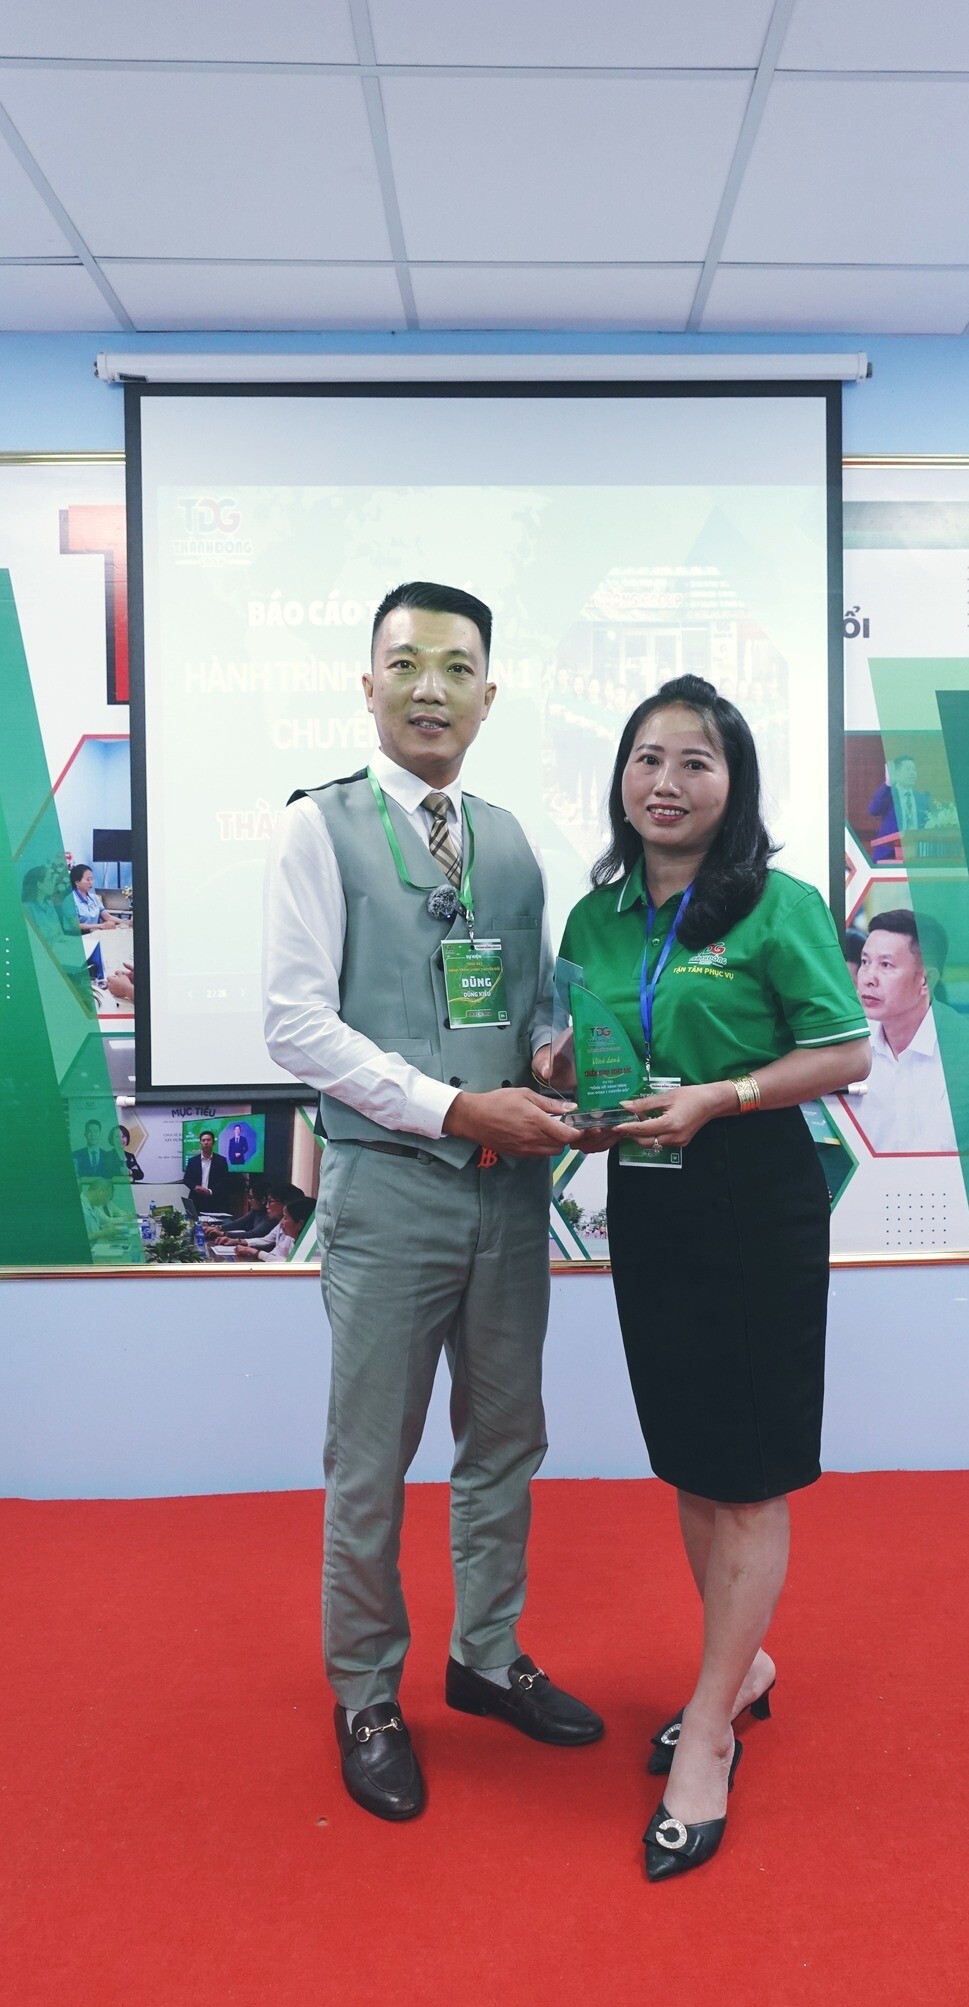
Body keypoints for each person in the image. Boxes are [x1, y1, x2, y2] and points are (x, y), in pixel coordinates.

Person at [263, 578, 603, 1825]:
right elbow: (294, 1023)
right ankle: (365, 1691)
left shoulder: (510, 840)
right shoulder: (319, 828)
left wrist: (559, 1054)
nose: (429, 688)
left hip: (509, 1196)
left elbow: (531, 1005)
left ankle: (486, 1654)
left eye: (457, 667)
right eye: (405, 663)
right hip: (390, 1187)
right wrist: (457, 1108)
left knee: (506, 1438)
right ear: (368, 684)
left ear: (489, 695)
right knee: (371, 1458)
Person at [555, 675, 870, 1882]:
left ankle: (707, 1731)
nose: (666, 781)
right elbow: (595, 1047)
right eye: (647, 757)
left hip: (751, 1190)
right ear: (620, 778)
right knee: (692, 1456)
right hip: (649, 1190)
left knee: (747, 1473)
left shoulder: (778, 905)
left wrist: (720, 1094)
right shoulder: (596, 918)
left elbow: (841, 1051)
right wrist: (572, 1077)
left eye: (696, 760)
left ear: (732, 784)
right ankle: (743, 1668)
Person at [853, 909, 969, 1154]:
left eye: (886, 964)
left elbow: (930, 1157)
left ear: (926, 980)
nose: (867, 978)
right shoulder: (855, 1043)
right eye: (865, 962)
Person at [867, 756, 930, 862]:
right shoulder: (889, 794)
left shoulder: (921, 798)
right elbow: (874, 810)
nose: (913, 773)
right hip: (889, 853)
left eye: (914, 770)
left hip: (917, 854)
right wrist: (888, 784)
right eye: (908, 769)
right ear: (897, 773)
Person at [182, 1128, 231, 1211]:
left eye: (208, 1140)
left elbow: (225, 1180)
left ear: (213, 1142)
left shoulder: (221, 1160)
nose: (206, 1142)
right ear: (200, 1143)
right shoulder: (192, 1161)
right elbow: (186, 1179)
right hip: (196, 1199)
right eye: (203, 1140)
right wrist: (195, 1187)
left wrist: (210, 1191)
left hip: (215, 1199)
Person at [69, 863, 117, 929]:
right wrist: (100, 926)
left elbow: (107, 917)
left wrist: (125, 922)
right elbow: (74, 925)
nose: (91, 882)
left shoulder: (94, 897)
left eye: (92, 879)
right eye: (88, 879)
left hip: (95, 933)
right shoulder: (70, 901)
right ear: (77, 882)